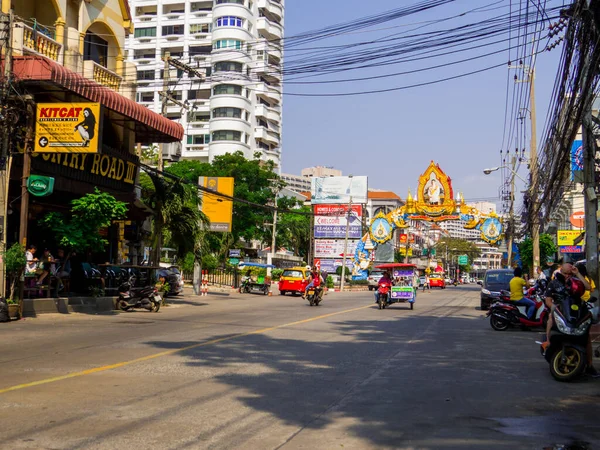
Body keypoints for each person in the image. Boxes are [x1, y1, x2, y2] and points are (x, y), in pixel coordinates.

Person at [542, 263, 593, 365]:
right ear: (561, 272)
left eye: (569, 273)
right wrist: (553, 308)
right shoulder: (554, 283)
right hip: (560, 311)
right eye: (565, 273)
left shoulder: (576, 282)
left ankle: (590, 364)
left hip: (575, 311)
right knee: (550, 318)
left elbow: (588, 287)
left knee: (586, 337)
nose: (567, 276)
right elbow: (548, 300)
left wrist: (577, 274)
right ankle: (548, 341)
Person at [575, 262, 599, 377]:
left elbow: (590, 288)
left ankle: (589, 364)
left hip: (584, 306)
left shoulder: (580, 279)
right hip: (580, 306)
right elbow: (592, 290)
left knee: (586, 334)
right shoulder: (576, 279)